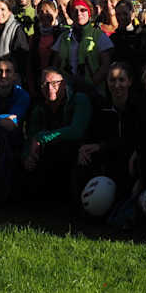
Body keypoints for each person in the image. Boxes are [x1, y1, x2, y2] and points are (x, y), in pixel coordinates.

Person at [23, 67, 92, 201]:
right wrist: (27, 156)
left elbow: (76, 131)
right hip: (51, 156)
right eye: (45, 84)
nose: (50, 88)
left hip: (78, 152)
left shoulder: (79, 100)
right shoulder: (39, 108)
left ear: (64, 83)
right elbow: (31, 135)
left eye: (55, 83)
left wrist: (44, 137)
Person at [74, 61, 136, 200]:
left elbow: (132, 140)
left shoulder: (137, 109)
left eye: (121, 80)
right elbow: (90, 134)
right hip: (106, 157)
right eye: (112, 80)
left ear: (130, 81)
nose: (117, 85)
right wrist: (83, 148)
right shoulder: (101, 108)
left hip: (128, 159)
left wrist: (102, 146)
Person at [52, 0, 112, 93]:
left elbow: (106, 65)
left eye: (83, 10)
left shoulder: (99, 35)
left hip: (93, 91)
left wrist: (90, 84)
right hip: (67, 90)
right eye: (74, 11)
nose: (79, 13)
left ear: (89, 12)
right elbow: (56, 64)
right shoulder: (63, 37)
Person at [27, 0, 63, 95]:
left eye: (48, 11)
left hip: (57, 84)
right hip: (39, 83)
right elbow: (30, 63)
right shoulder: (34, 37)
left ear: (56, 12)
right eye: (41, 12)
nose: (44, 15)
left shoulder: (61, 35)